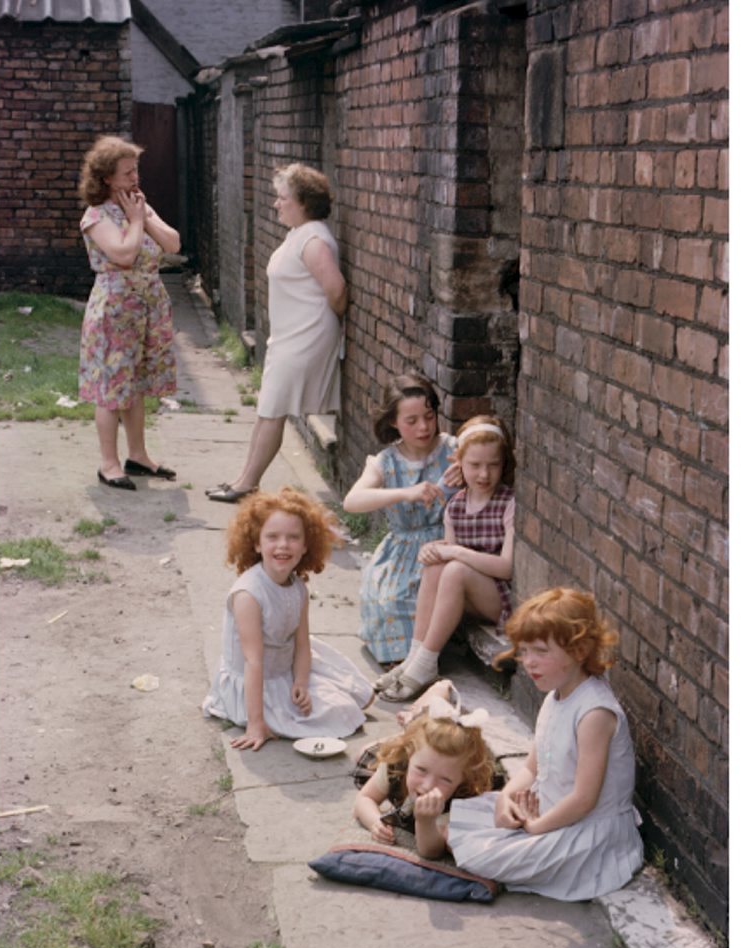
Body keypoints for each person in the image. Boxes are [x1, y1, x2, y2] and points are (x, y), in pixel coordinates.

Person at [446, 589, 644, 901]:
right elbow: (531, 768)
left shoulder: (594, 713)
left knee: (485, 854)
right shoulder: (555, 695)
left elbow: (583, 799)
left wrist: (536, 829)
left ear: (579, 650)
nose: (529, 663)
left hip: (590, 830)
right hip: (550, 806)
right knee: (473, 815)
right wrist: (507, 798)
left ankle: (517, 856)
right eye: (523, 652)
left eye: (540, 651)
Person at [206, 164, 347, 503]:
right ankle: (244, 479)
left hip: (306, 337)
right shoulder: (299, 233)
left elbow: (338, 291)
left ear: (303, 203)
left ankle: (246, 484)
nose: (276, 204)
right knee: (268, 408)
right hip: (288, 337)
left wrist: (323, 326)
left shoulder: (314, 240)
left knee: (272, 410)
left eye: (282, 198)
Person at [203, 488, 375, 750]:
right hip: (256, 681)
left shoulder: (297, 588)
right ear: (257, 543)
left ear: (306, 545)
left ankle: (303, 690)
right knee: (335, 714)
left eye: (293, 537)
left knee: (353, 699)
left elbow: (302, 642)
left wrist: (301, 683)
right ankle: (263, 714)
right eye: (272, 537)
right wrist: (256, 722)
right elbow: (253, 661)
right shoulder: (248, 594)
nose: (283, 545)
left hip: (286, 665)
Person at [373, 415, 516, 702]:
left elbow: (506, 567)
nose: (484, 475)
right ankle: (414, 658)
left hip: (497, 599)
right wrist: (437, 549)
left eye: (493, 465)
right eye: (475, 465)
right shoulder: (456, 505)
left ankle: (426, 663)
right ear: (458, 462)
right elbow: (448, 555)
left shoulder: (508, 503)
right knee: (438, 565)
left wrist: (455, 552)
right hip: (465, 596)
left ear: (504, 464)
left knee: (454, 569)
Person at [77, 135, 180, 491]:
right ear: (107, 177)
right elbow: (123, 254)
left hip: (147, 305)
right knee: (111, 385)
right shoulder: (96, 216)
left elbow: (173, 243)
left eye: (136, 170)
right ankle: (109, 463)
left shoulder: (138, 206)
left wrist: (142, 216)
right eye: (127, 173)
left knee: (135, 382)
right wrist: (136, 221)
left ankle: (138, 455)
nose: (135, 178)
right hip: (115, 310)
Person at [345, 376, 465, 669]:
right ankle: (403, 660)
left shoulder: (454, 449)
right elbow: (352, 501)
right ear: (394, 422)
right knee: (389, 598)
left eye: (429, 417)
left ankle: (423, 658)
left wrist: (469, 470)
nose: (423, 427)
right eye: (411, 420)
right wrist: (404, 493)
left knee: (428, 594)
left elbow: (493, 456)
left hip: (446, 541)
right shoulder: (386, 461)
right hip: (402, 548)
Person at [351, 686, 499, 860]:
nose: (428, 785)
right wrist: (375, 821)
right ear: (410, 755)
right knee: (362, 754)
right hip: (408, 751)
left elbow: (431, 851)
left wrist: (425, 821)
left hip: (431, 762)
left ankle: (423, 711)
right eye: (421, 770)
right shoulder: (397, 765)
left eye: (445, 780)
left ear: (461, 780)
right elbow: (364, 799)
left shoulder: (460, 799)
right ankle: (429, 701)